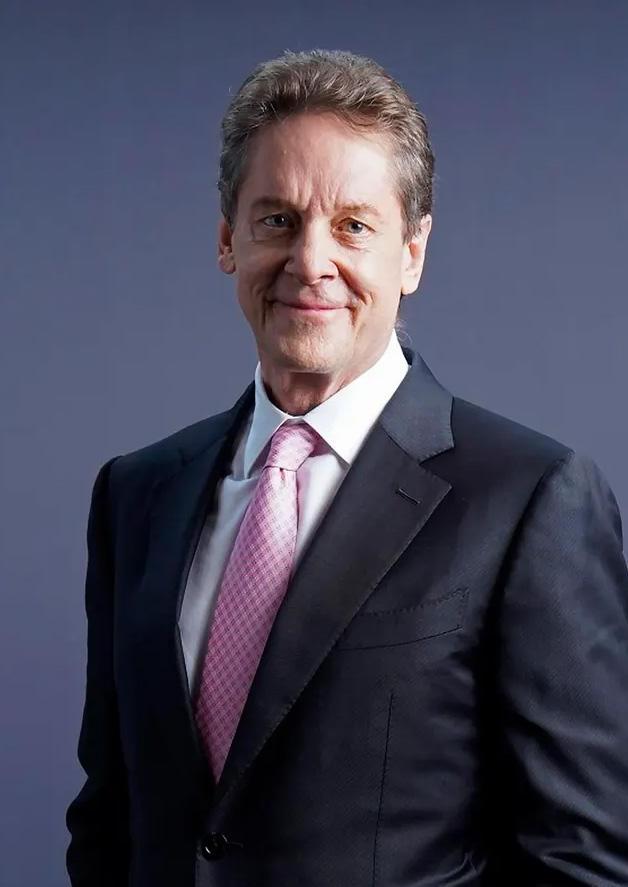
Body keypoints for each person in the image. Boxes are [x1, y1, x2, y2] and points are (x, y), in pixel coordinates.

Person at [66, 49, 628, 887]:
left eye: (354, 226)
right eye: (277, 219)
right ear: (227, 239)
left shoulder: (530, 499)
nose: (310, 261)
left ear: (413, 254)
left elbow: (582, 863)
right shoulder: (137, 494)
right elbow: (109, 824)